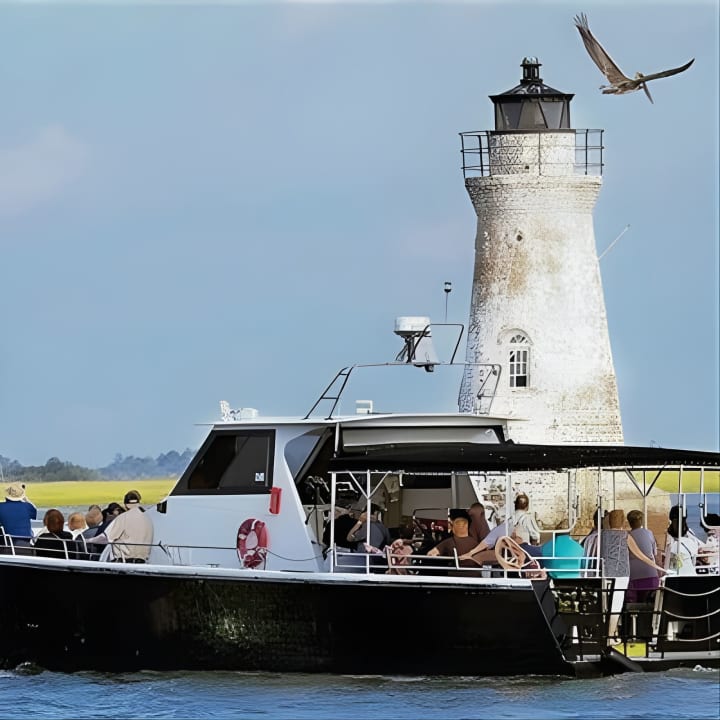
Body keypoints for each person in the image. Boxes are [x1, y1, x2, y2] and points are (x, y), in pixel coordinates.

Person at [90, 490, 154, 563]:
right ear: (138, 503)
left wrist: (87, 540)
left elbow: (105, 538)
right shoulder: (148, 519)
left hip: (124, 563)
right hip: (143, 563)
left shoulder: (122, 518)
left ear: (126, 504)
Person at [626, 509, 660, 602]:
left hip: (633, 574)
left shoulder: (626, 536)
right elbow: (654, 554)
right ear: (641, 521)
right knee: (651, 602)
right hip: (649, 571)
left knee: (635, 603)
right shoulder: (649, 533)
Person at [664, 505, 703, 575]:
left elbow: (666, 566)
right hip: (691, 574)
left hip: (674, 574)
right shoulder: (691, 538)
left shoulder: (669, 538)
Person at [0, 482, 37, 552]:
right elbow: (34, 510)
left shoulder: (1, 507)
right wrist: (25, 498)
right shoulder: (27, 506)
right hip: (26, 545)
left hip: (6, 545)